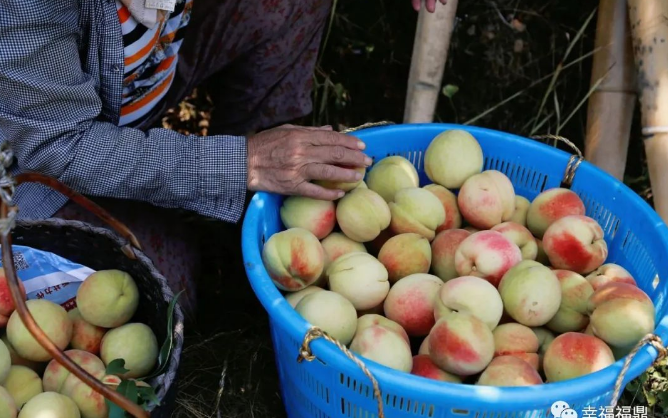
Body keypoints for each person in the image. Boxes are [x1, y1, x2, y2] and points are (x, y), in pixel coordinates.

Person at [0, 0, 446, 319]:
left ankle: (264, 215)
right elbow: (60, 142)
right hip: (38, 163)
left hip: (141, 76)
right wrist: (244, 162)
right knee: (164, 290)